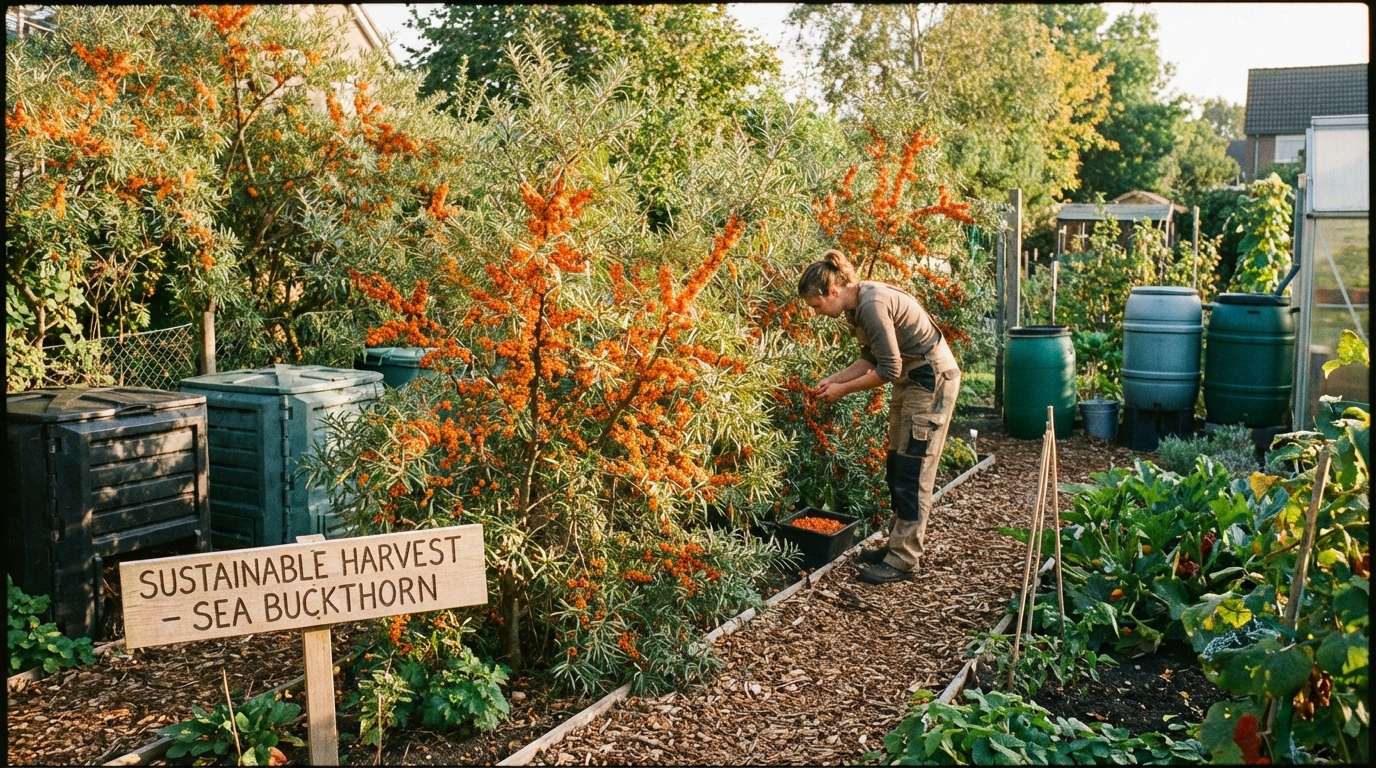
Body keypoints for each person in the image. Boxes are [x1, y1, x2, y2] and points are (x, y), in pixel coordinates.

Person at [797, 250, 962, 584]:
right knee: (896, 464)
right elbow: (872, 358)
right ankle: (895, 546)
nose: (814, 314)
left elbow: (888, 368)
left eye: (815, 306)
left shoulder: (872, 306)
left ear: (832, 292)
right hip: (913, 380)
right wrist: (836, 379)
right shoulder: (856, 305)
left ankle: (903, 560)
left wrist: (843, 391)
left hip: (930, 380)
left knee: (913, 469)